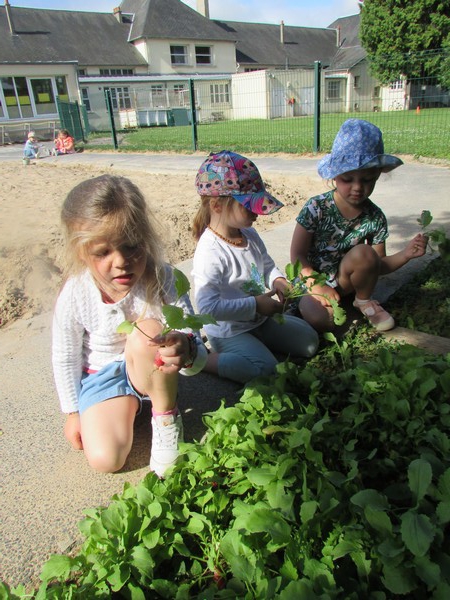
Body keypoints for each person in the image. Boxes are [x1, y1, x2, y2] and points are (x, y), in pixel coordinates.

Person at [52, 174, 208, 477]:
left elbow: (195, 348)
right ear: (82, 251)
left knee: (149, 330)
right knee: (106, 460)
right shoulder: (75, 293)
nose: (121, 261)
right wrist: (72, 412)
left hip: (150, 366)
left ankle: (164, 417)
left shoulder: (163, 278)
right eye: (103, 252)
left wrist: (185, 347)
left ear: (145, 238)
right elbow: (65, 355)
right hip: (103, 378)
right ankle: (130, 407)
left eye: (131, 246)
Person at [192, 150, 319, 384]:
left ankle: (258, 343)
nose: (257, 212)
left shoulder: (248, 233)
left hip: (259, 319)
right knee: (266, 371)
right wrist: (254, 305)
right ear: (217, 205)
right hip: (229, 331)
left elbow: (267, 266)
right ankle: (201, 360)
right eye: (248, 206)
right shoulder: (210, 251)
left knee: (310, 342)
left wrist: (278, 281)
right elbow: (207, 309)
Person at [290, 118, 428, 333]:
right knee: (320, 320)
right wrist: (316, 285)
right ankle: (315, 301)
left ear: (377, 177)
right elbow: (297, 255)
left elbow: (377, 265)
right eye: (348, 179)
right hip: (313, 280)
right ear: (335, 176)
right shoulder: (316, 207)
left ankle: (363, 301)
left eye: (366, 180)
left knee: (364, 253)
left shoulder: (374, 217)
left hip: (346, 283)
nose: (357, 187)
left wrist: (406, 254)